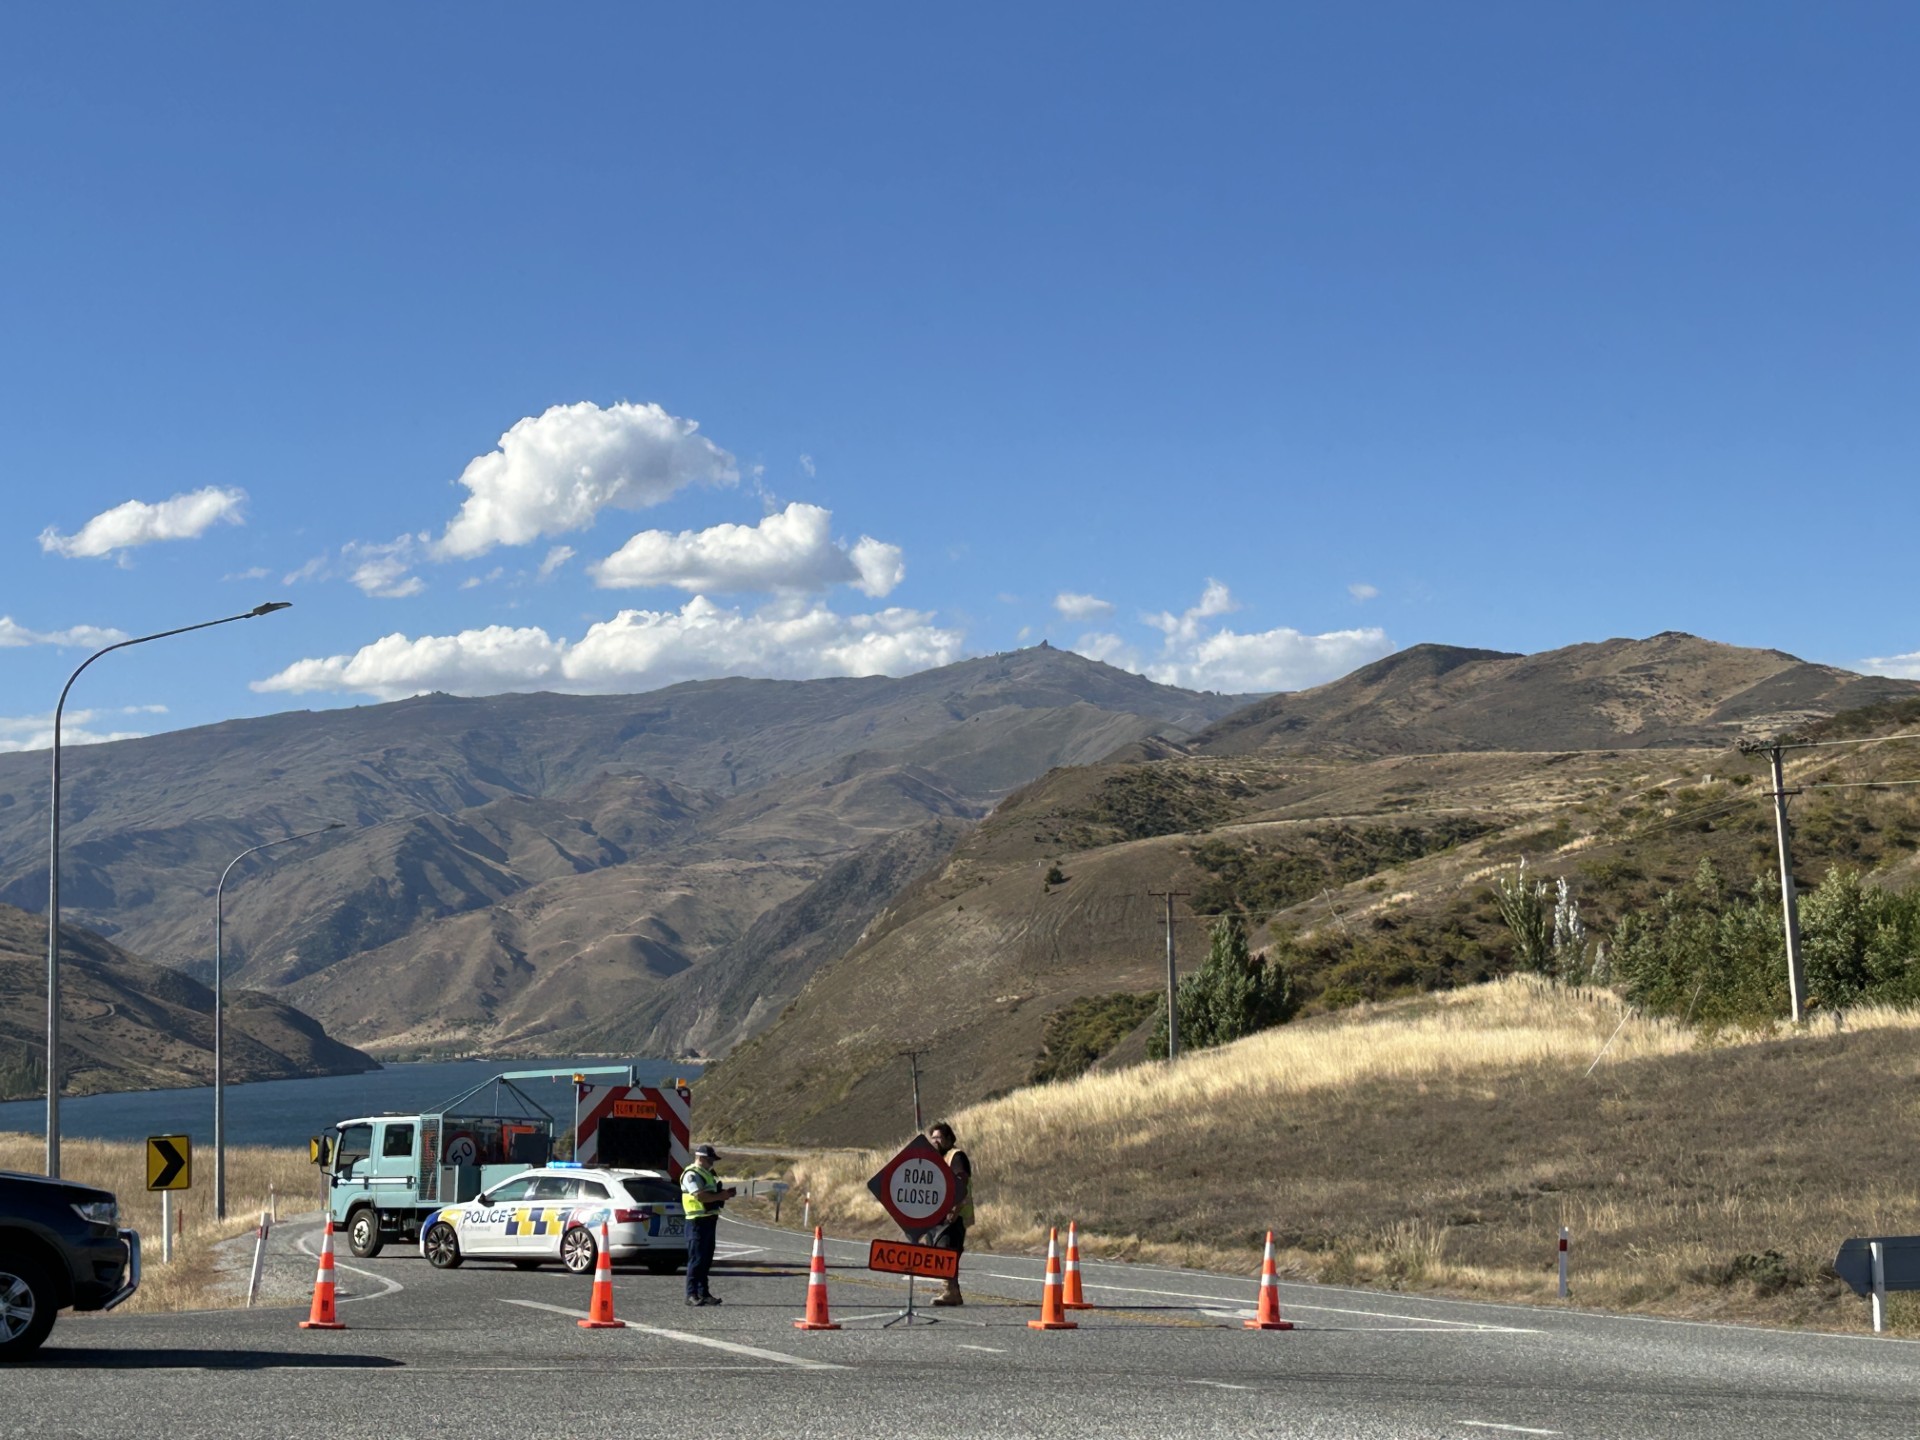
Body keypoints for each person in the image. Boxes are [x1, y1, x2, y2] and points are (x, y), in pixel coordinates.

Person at [681, 1143, 736, 1306]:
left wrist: (723, 1195)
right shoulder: (692, 1174)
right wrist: (721, 1196)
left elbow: (710, 1194)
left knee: (705, 1259)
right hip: (696, 1221)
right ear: (701, 1158)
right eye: (710, 1159)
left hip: (709, 1219)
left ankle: (703, 1293)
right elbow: (700, 1197)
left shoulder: (706, 1174)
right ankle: (691, 1294)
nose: (712, 1163)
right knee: (696, 1259)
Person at [926, 1121, 972, 1306]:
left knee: (947, 1252)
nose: (936, 1142)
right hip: (941, 1217)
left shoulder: (956, 1156)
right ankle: (952, 1291)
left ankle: (950, 1291)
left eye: (939, 1138)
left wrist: (955, 1208)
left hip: (954, 1216)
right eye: (933, 1138)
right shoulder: (940, 1158)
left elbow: (961, 1183)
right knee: (941, 1252)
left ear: (948, 1139)